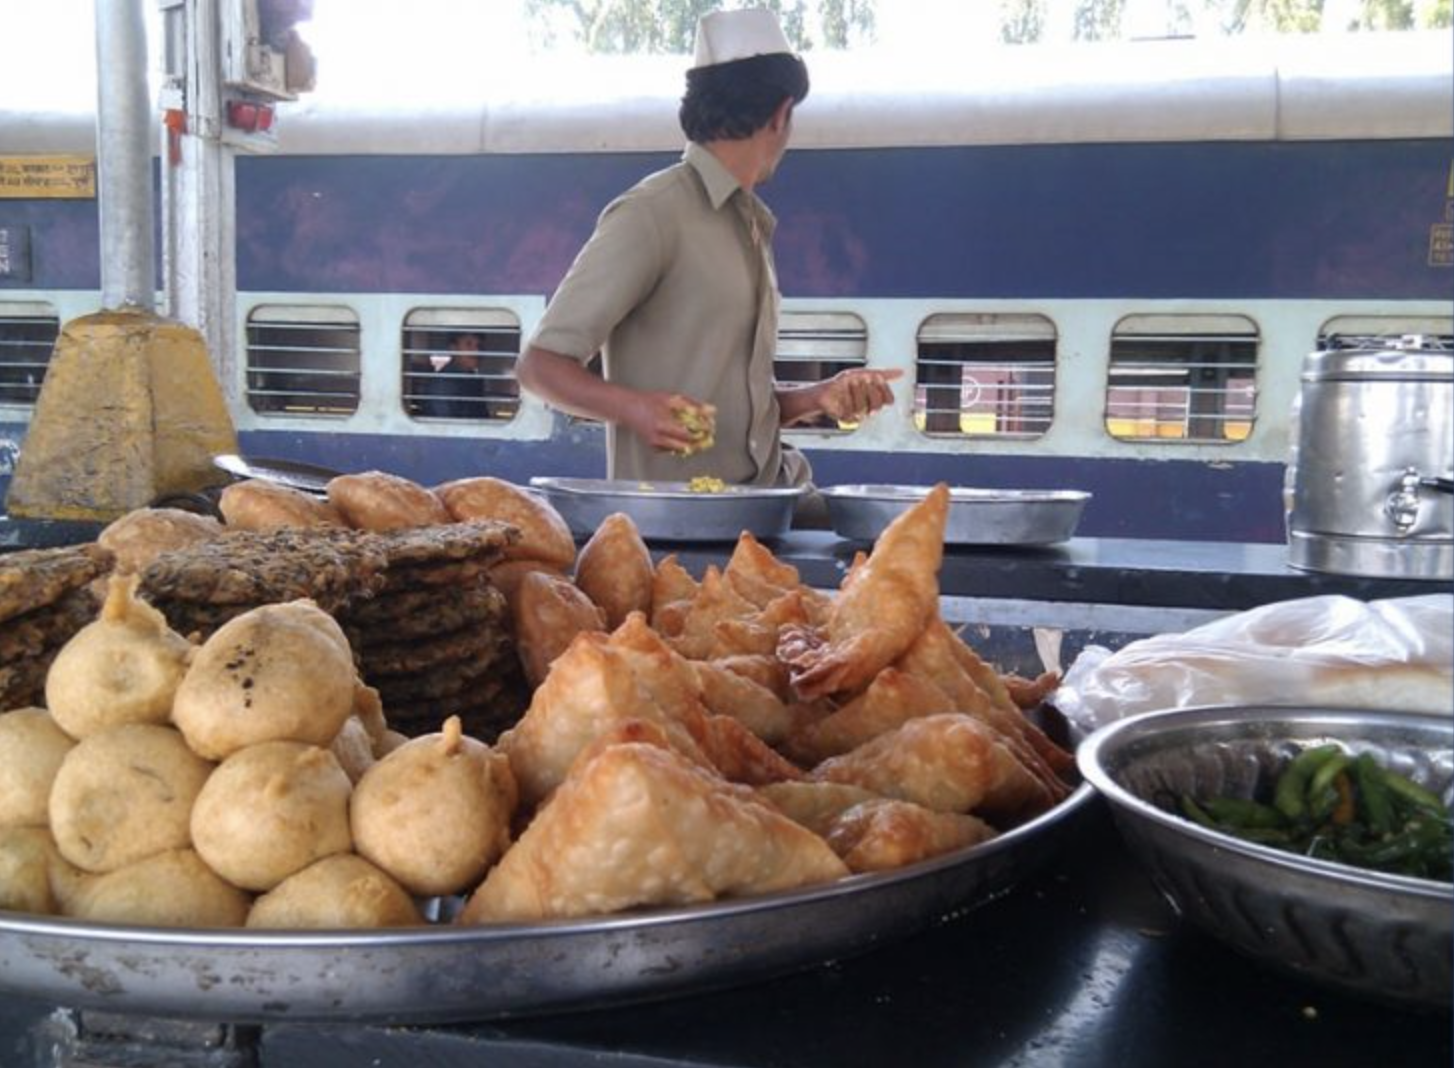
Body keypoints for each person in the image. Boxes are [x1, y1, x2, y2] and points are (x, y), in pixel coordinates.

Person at [515, 6, 901, 513]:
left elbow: (739, 407)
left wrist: (817, 397)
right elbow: (539, 366)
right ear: (782, 113)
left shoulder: (749, 223)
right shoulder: (652, 213)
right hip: (684, 521)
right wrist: (634, 409)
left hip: (767, 504)